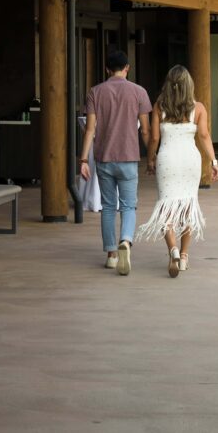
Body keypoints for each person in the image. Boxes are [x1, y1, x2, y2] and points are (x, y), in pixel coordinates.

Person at [136, 65, 218, 278]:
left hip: (168, 160)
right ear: (188, 85)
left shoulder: (159, 106)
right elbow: (204, 136)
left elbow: (154, 138)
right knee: (188, 206)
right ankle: (183, 257)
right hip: (190, 161)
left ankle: (172, 250)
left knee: (166, 207)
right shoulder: (198, 108)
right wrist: (214, 161)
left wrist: (150, 160)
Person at [79, 50, 152, 276]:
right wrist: (152, 157)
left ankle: (111, 255)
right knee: (129, 205)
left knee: (109, 207)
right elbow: (146, 131)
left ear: (107, 69)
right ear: (127, 68)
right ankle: (126, 242)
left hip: (104, 158)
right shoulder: (139, 92)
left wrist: (83, 159)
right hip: (129, 157)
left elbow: (90, 129)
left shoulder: (95, 92)